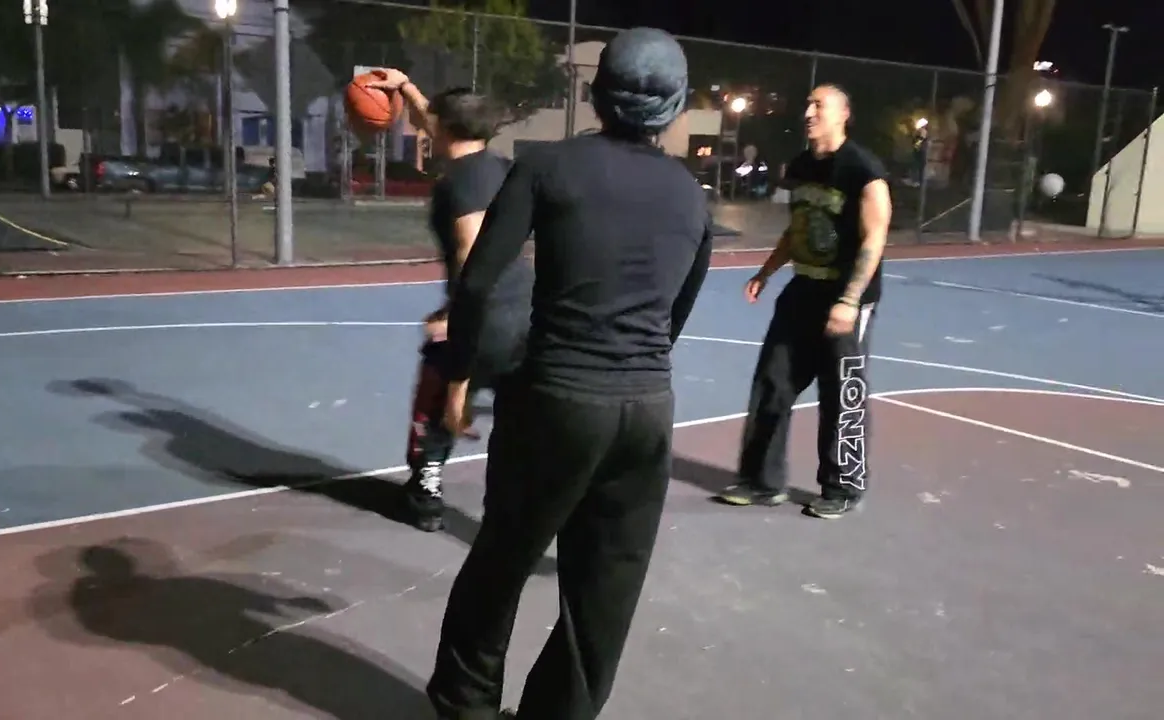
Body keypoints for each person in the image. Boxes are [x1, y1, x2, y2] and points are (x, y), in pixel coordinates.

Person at [426, 28, 713, 720]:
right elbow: (676, 314)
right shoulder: (691, 196)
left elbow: (477, 283)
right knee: (604, 592)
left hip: (555, 399)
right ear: (676, 106)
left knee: (502, 561)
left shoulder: (547, 167)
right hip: (646, 408)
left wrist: (459, 379)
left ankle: (466, 706)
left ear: (596, 93)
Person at [363, 72, 534, 533]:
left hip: (483, 315)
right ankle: (524, 503)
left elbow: (471, 252)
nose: (424, 124)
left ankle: (425, 496)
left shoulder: (459, 183)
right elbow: (435, 119)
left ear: (444, 128)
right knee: (519, 414)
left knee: (437, 407)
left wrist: (454, 314)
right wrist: (406, 87)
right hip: (524, 311)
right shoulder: (498, 167)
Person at [714, 84, 892, 520]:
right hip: (803, 289)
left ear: (843, 114)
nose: (809, 112)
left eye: (819, 105)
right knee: (773, 382)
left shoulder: (863, 169)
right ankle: (762, 481)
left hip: (845, 296)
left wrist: (849, 300)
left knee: (841, 393)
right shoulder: (799, 166)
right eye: (808, 104)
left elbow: (875, 236)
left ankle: (842, 487)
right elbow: (798, 228)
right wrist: (766, 272)